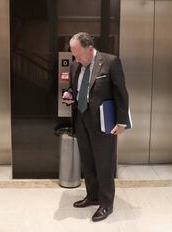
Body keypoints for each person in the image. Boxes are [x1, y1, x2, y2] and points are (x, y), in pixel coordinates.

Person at [62, 32, 129, 222]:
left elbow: (121, 93)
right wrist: (68, 95)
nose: (75, 57)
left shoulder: (110, 62)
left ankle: (107, 203)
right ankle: (92, 196)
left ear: (90, 48)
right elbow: (73, 88)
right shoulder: (76, 65)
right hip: (81, 121)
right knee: (88, 162)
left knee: (104, 163)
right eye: (73, 53)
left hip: (103, 122)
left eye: (78, 53)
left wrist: (121, 122)